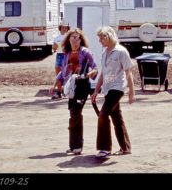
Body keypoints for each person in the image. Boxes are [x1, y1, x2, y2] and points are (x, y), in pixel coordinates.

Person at [91, 26, 135, 158]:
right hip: (108, 89)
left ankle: (104, 148)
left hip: (118, 88)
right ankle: (125, 147)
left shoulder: (121, 51)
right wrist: (96, 91)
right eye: (99, 38)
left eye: (101, 37)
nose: (100, 41)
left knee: (103, 115)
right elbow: (103, 75)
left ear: (109, 36)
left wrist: (131, 92)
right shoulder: (105, 53)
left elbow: (128, 71)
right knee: (117, 117)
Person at [56, 28, 98, 155]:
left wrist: (90, 73)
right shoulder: (67, 53)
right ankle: (73, 146)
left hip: (82, 86)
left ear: (81, 40)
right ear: (68, 39)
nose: (75, 39)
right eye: (72, 37)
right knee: (73, 115)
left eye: (77, 37)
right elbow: (63, 71)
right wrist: (55, 85)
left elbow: (95, 67)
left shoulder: (85, 52)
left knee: (75, 114)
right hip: (71, 87)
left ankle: (78, 146)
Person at [50, 21, 70, 100]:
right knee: (58, 73)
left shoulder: (68, 37)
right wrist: (54, 47)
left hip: (66, 56)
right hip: (59, 55)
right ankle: (58, 92)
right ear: (60, 28)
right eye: (63, 27)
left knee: (67, 74)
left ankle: (67, 91)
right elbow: (54, 49)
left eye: (66, 27)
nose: (64, 29)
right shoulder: (56, 37)